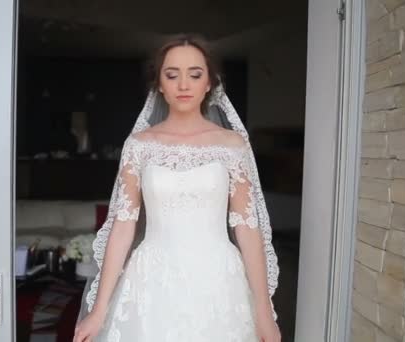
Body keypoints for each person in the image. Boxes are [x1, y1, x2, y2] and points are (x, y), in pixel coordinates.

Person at [73, 34, 281, 342]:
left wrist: (264, 312)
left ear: (209, 82)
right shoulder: (139, 146)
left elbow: (248, 228)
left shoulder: (232, 145)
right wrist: (100, 309)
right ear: (159, 83)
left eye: (195, 74)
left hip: (218, 282)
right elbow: (123, 226)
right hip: (151, 284)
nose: (183, 85)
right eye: (172, 75)